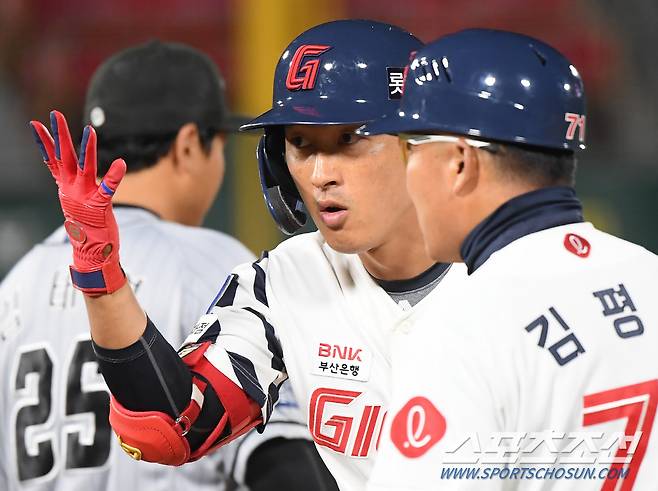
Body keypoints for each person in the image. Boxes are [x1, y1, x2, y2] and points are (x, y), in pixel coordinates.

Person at [27, 20, 455, 490]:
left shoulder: (516, 270)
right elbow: (167, 431)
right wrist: (102, 276)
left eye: (349, 139)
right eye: (300, 143)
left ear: (422, 144)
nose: (319, 175)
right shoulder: (284, 281)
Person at [1, 40, 334, 491]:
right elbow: (280, 460)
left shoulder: (15, 286)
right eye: (216, 143)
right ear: (188, 145)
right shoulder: (209, 261)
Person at [358, 29, 658, 489]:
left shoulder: (461, 327)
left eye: (411, 148)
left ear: (460, 163)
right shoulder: (648, 273)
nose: (406, 172)